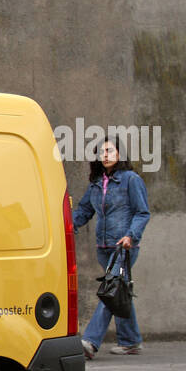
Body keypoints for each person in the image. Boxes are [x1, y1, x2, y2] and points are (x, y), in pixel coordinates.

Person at [73, 137, 150, 359]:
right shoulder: (97, 182)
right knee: (118, 290)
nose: (105, 155)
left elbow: (142, 212)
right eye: (101, 152)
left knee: (109, 292)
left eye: (109, 150)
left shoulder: (130, 180)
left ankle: (90, 342)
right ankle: (131, 341)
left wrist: (131, 236)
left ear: (119, 154)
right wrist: (67, 225)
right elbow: (84, 211)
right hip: (103, 248)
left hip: (122, 247)